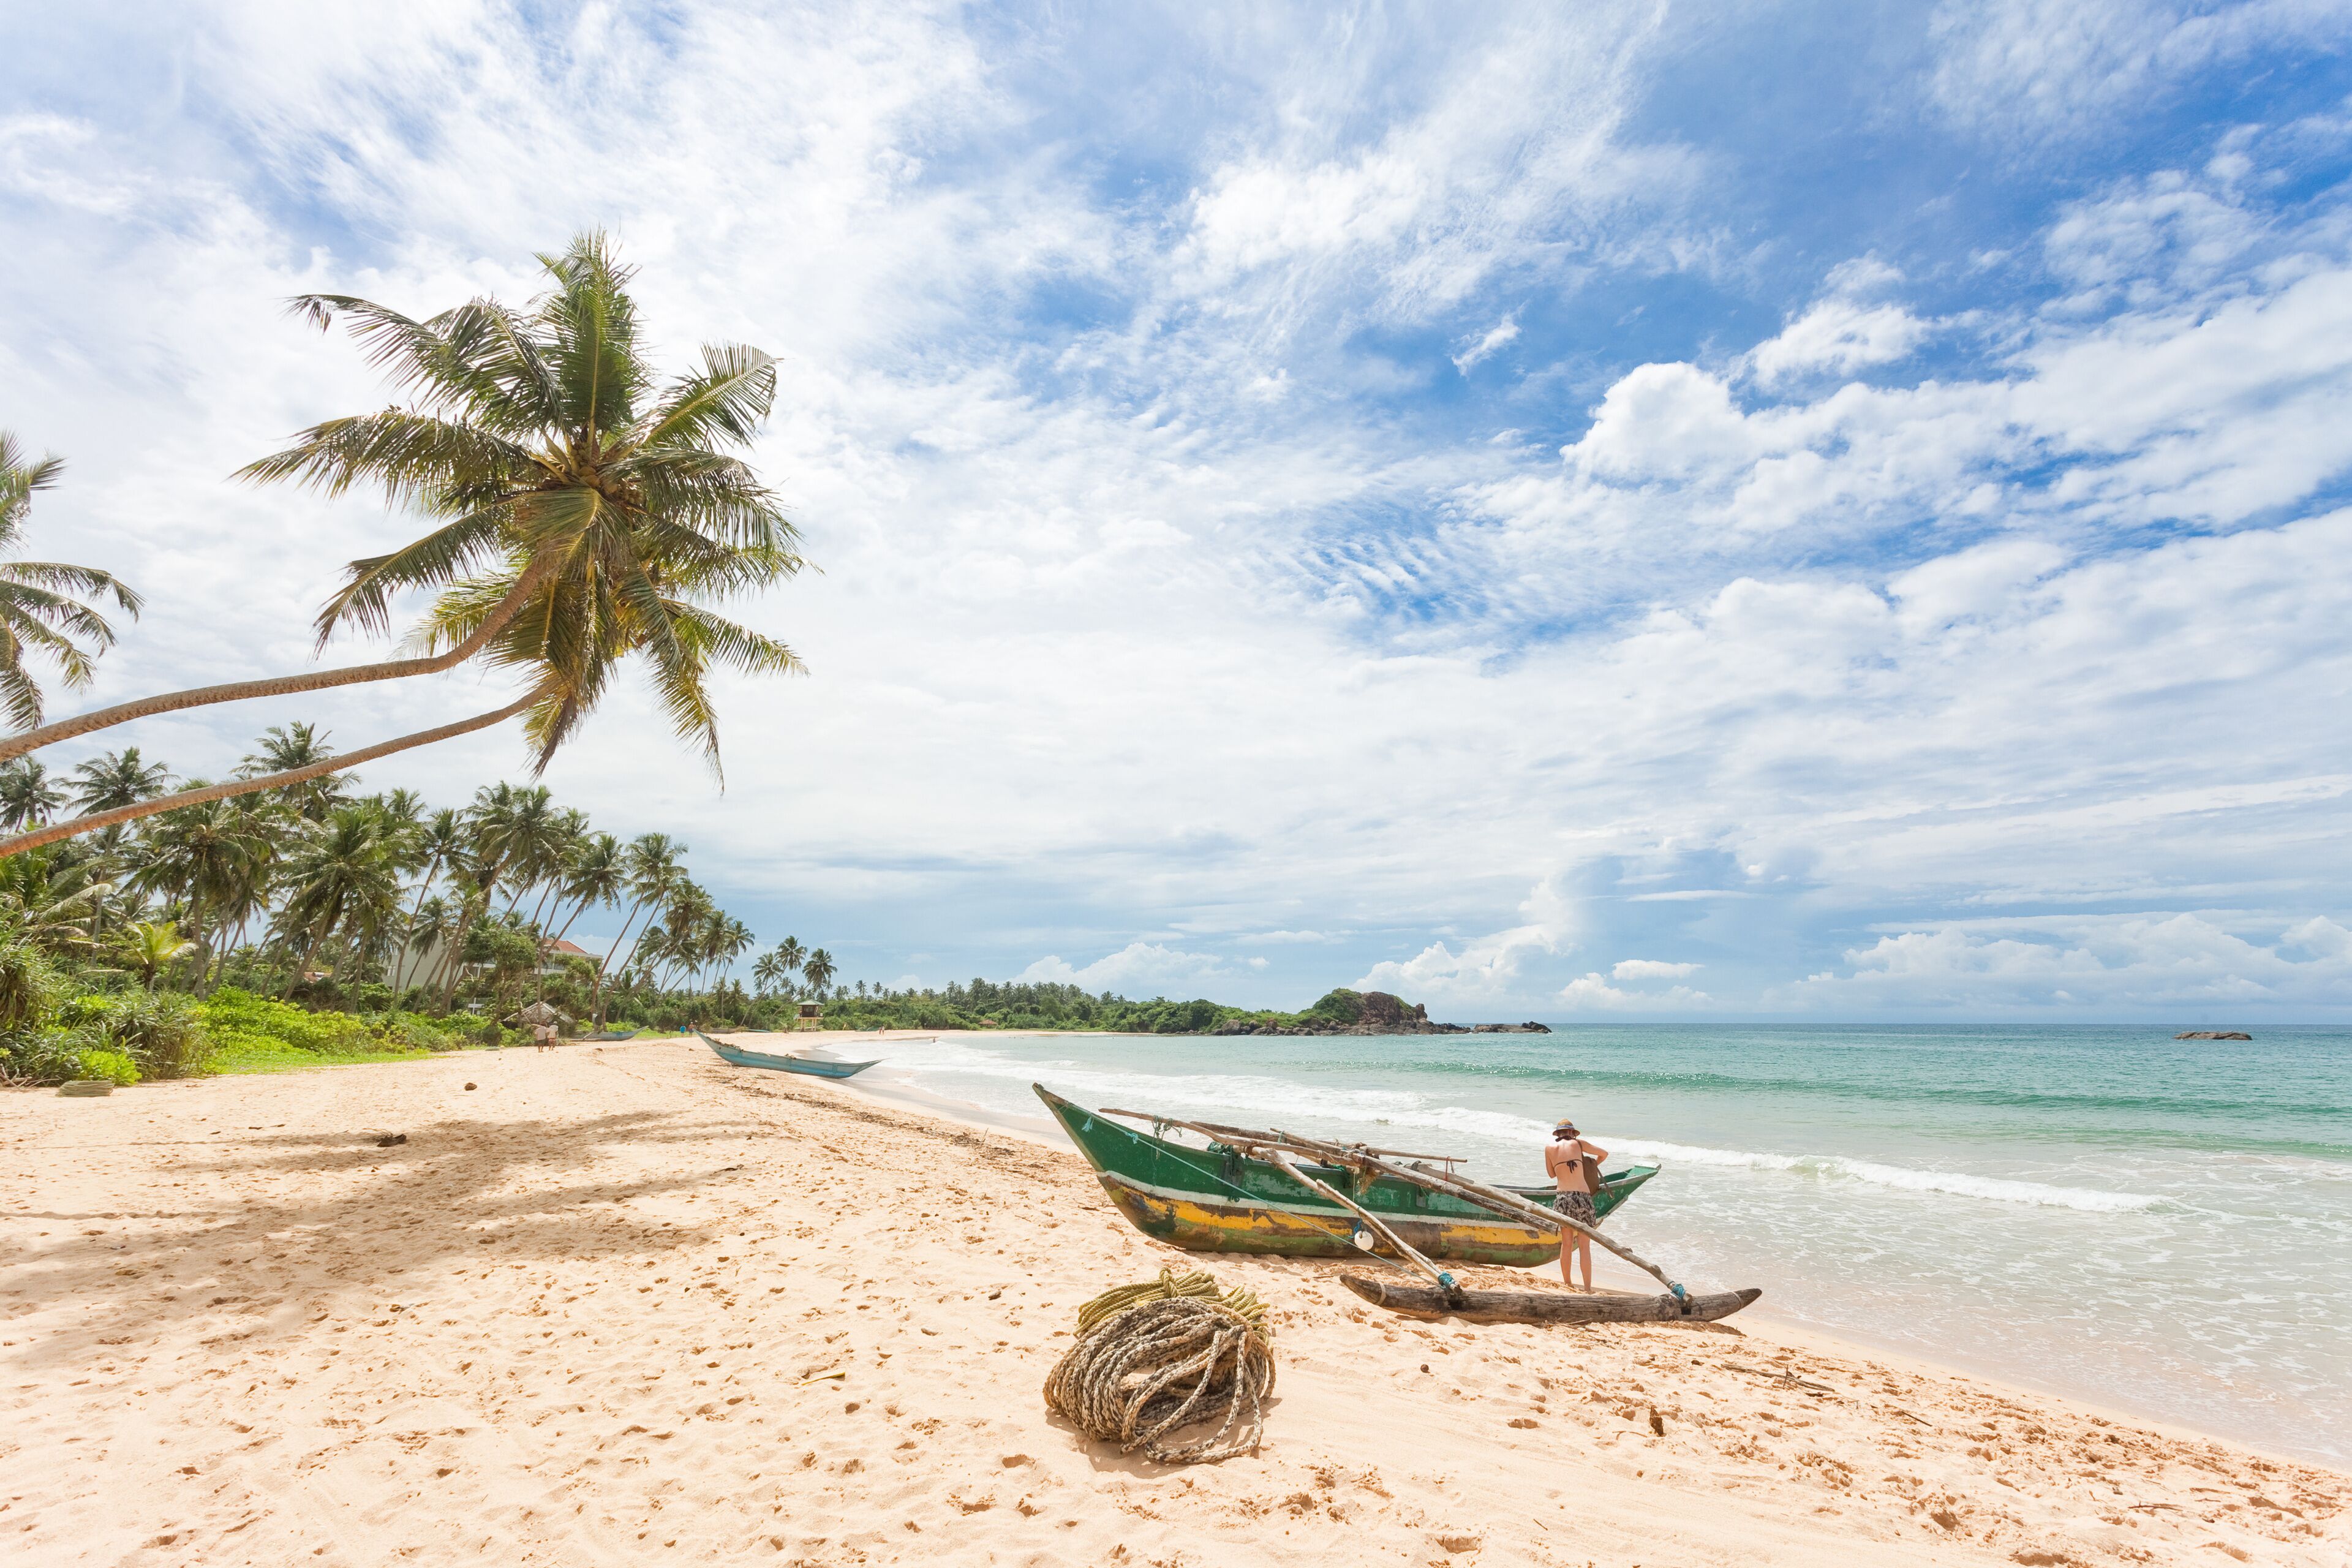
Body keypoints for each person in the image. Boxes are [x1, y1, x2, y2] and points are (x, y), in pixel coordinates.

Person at [1544, 1118, 1608, 1291]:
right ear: (1572, 1133)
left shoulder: (1549, 1149)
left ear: (1558, 1134)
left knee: (1566, 1243)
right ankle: (1587, 1288)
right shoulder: (1579, 1144)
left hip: (1563, 1197)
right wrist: (1592, 1164)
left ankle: (1568, 1284)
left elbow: (1551, 1174)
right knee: (1584, 1246)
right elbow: (1604, 1153)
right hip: (1583, 1198)